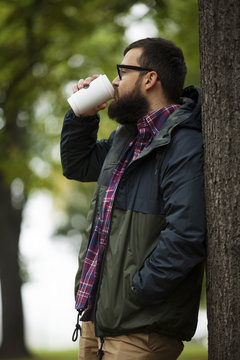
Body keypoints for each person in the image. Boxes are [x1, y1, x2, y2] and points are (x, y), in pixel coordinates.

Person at [61, 37, 206, 360]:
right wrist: (82, 115)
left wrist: (136, 291)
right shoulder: (126, 137)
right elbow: (77, 164)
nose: (113, 81)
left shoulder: (184, 144)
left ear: (149, 78)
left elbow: (186, 235)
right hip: (95, 321)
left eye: (122, 72)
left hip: (141, 329)